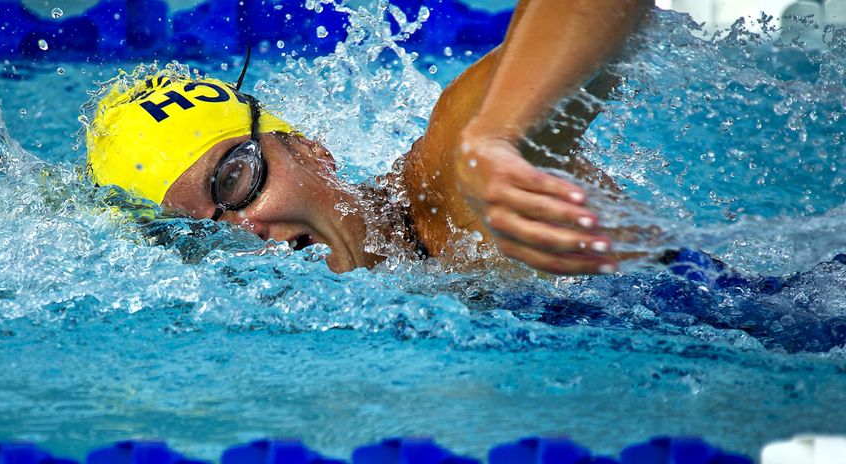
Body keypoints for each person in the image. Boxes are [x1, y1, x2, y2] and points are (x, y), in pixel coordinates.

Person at [86, 0, 653, 275]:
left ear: (309, 149)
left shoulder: (455, 186)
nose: (246, 231)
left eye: (236, 180)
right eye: (198, 233)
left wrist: (499, 135)